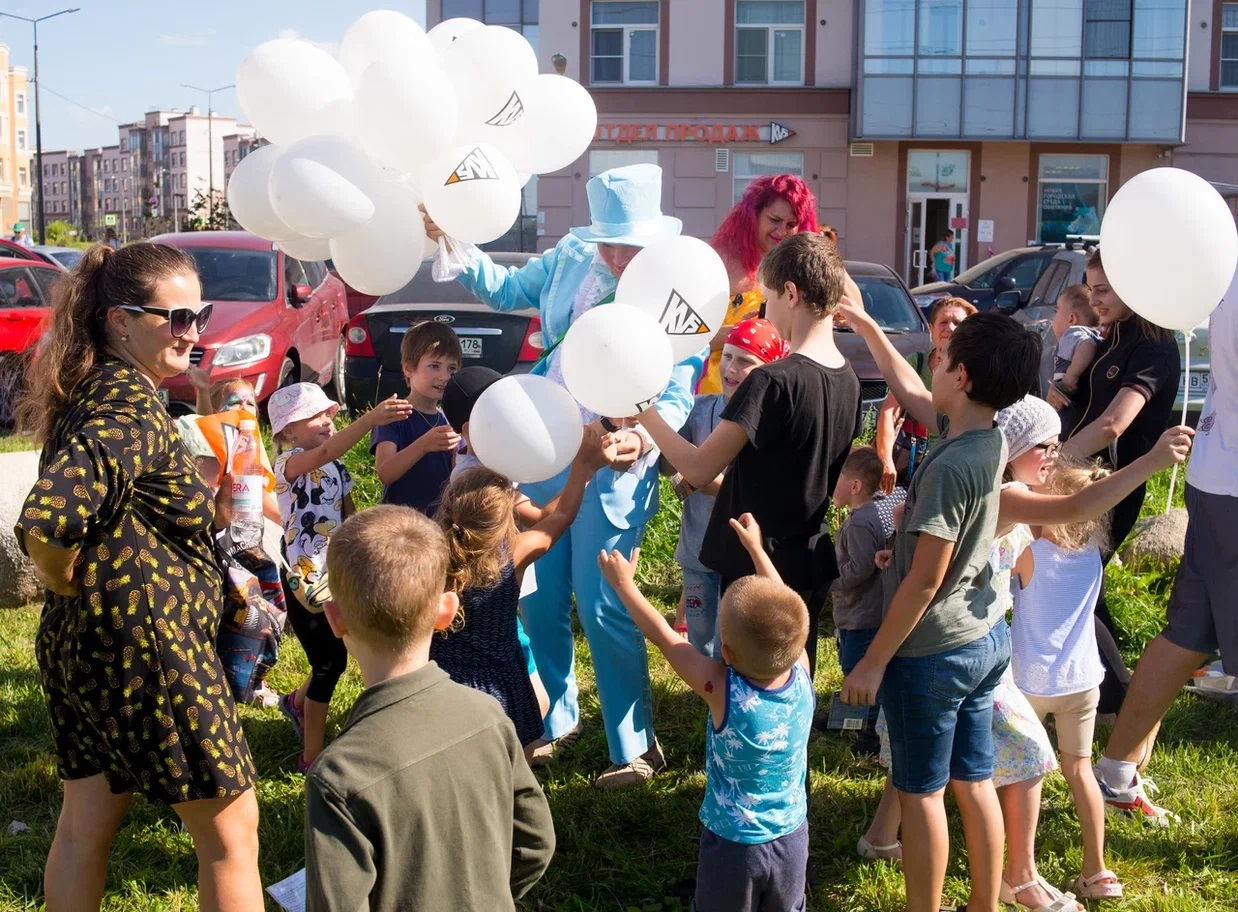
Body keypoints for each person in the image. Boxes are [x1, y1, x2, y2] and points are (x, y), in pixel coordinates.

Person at [422, 163, 701, 787]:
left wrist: (639, 437)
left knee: (605, 602)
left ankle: (632, 746)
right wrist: (452, 240)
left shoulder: (673, 284)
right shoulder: (572, 256)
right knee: (539, 594)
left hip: (617, 460)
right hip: (545, 441)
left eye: (629, 244)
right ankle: (553, 715)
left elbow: (681, 385)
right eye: (609, 239)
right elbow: (501, 289)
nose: (617, 254)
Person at [13, 242, 262, 911]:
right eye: (174, 318)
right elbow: (47, 521)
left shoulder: (104, 388)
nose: (193, 332)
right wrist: (63, 577)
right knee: (233, 833)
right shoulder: (124, 404)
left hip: (85, 646)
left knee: (85, 823)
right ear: (120, 321)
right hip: (148, 650)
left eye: (199, 315)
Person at [838, 303, 1041, 912]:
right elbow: (911, 390)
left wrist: (874, 662)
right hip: (981, 640)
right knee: (973, 780)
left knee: (921, 792)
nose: (934, 360)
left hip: (930, 652)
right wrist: (871, 329)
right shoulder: (987, 434)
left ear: (963, 378)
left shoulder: (950, 466)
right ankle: (984, 904)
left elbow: (924, 579)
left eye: (944, 358)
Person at [307, 505, 555, 911]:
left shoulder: (339, 775)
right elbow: (536, 842)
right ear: (447, 611)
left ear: (335, 620)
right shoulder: (491, 717)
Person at [640, 232, 861, 674]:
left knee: (744, 687)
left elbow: (700, 468)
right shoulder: (848, 379)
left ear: (792, 294)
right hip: (806, 558)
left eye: (768, 298)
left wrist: (644, 410)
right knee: (793, 682)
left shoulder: (772, 381)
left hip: (752, 565)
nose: (765, 310)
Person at [599, 512, 813, 912]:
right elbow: (786, 608)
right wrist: (756, 549)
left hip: (735, 846)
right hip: (792, 839)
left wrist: (624, 585)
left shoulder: (723, 692)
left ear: (726, 653)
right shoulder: (802, 669)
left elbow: (665, 638)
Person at [1093, 269, 1235, 825]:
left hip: (1216, 474)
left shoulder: (1226, 275)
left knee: (1188, 634)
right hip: (1231, 486)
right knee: (1187, 635)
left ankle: (1115, 771)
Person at [1060, 248, 1180, 721]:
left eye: (1105, 288)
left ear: (1134, 286)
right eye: (1091, 288)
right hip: (1080, 476)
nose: (1096, 299)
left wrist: (1056, 461)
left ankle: (1117, 698)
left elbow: (1114, 423)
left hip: (1114, 481)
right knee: (1082, 584)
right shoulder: (1110, 337)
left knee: (1076, 584)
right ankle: (1111, 697)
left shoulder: (1153, 347)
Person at [269, 382, 412, 770]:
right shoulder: (287, 466)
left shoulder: (338, 468)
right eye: (314, 416)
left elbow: (350, 518)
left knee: (334, 659)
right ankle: (311, 758)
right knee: (328, 665)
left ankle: (296, 704)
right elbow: (327, 451)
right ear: (287, 432)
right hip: (303, 581)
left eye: (329, 414)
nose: (327, 422)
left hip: (336, 578)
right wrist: (372, 419)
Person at [431, 435, 606, 752]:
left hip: (445, 684)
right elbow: (560, 517)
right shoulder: (512, 555)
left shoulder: (429, 559)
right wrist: (583, 468)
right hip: (505, 684)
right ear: (506, 520)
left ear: (449, 507)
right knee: (512, 772)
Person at [1013, 457, 1124, 902]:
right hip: (1082, 682)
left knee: (1028, 776)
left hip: (1030, 681)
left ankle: (1024, 870)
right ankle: (1097, 871)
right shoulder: (1093, 556)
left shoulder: (1028, 550)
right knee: (1079, 771)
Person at [667, 316, 789, 657]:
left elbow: (762, 493)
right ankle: (707, 694)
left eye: (746, 361)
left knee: (733, 639)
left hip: (742, 555)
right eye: (729, 356)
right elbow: (669, 467)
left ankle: (728, 696)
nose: (732, 368)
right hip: (696, 548)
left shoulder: (771, 422)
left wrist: (707, 480)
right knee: (701, 635)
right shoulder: (701, 409)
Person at [700, 174, 819, 394]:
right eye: (774, 220)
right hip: (721, 392)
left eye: (792, 224)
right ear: (753, 215)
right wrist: (743, 332)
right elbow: (691, 340)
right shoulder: (721, 262)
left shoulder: (801, 267)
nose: (782, 232)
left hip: (778, 392)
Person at [829, 446, 899, 750]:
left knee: (854, 666)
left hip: (859, 613)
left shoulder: (858, 522)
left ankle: (869, 730)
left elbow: (858, 569)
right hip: (874, 610)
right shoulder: (878, 510)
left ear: (855, 486)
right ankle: (852, 718)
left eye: (837, 479)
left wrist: (828, 581)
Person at [875, 296, 977, 491]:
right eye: (943, 322)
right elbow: (889, 412)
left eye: (957, 323)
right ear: (931, 329)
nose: (950, 328)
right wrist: (886, 459)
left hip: (949, 467)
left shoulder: (973, 371)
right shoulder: (916, 363)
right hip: (910, 466)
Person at [372, 320, 462, 516]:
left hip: (439, 523)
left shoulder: (448, 418)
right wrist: (423, 445)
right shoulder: (394, 414)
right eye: (434, 366)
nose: (444, 376)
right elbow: (385, 472)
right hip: (400, 526)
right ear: (408, 369)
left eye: (451, 368)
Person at [1047, 284, 1101, 406]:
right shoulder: (1086, 335)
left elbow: (1088, 344)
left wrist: (1070, 378)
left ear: (1072, 318)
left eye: (1056, 311)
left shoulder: (1074, 333)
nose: (1052, 317)